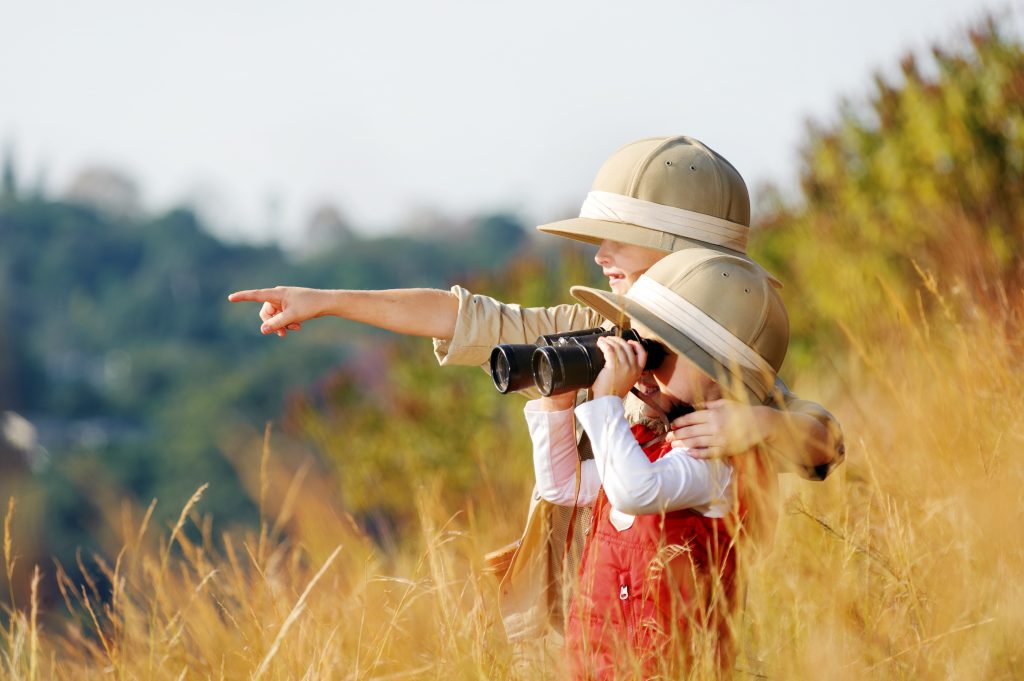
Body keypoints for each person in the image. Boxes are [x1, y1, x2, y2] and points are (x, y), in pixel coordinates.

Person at [227, 136, 844, 650]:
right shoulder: (604, 334)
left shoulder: (722, 368)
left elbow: (822, 438)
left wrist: (762, 426)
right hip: (568, 619)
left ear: (682, 252)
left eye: (618, 237)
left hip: (665, 635)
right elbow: (466, 317)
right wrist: (329, 301)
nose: (599, 255)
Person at [527, 246, 788, 678]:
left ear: (719, 373)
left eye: (658, 354)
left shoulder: (714, 459)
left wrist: (607, 399)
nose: (643, 369)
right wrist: (557, 405)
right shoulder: (650, 444)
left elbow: (635, 491)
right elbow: (563, 486)